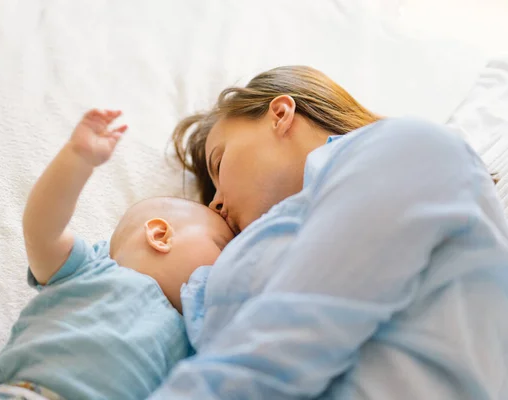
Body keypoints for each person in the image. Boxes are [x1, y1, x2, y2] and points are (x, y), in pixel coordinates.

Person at [149, 66, 508, 399]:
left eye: (219, 163)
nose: (216, 205)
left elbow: (279, 350)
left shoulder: (412, 146)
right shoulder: (283, 234)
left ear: (280, 114)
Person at [0, 110, 233, 400]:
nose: (233, 265)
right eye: (222, 247)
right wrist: (77, 160)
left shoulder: (197, 337)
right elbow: (43, 227)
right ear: (161, 236)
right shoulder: (91, 270)